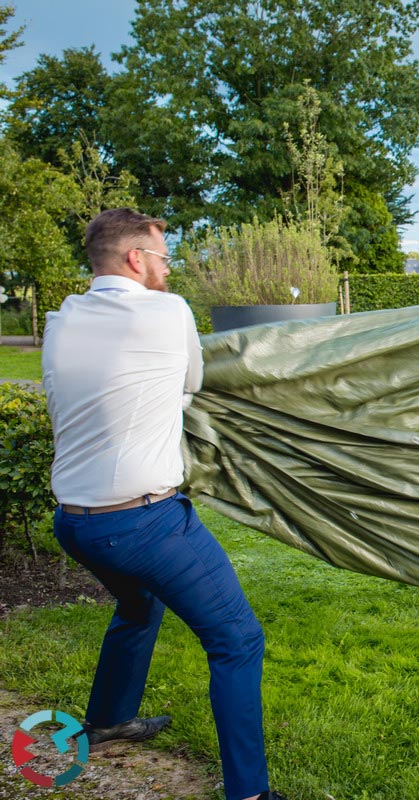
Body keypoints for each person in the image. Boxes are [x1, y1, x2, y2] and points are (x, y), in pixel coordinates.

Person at [42, 208, 286, 800]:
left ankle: (107, 720)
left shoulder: (63, 318)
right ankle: (249, 793)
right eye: (164, 256)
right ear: (135, 259)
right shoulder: (167, 312)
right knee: (237, 641)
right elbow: (194, 381)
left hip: (73, 523)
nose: (168, 267)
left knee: (137, 606)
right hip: (144, 522)